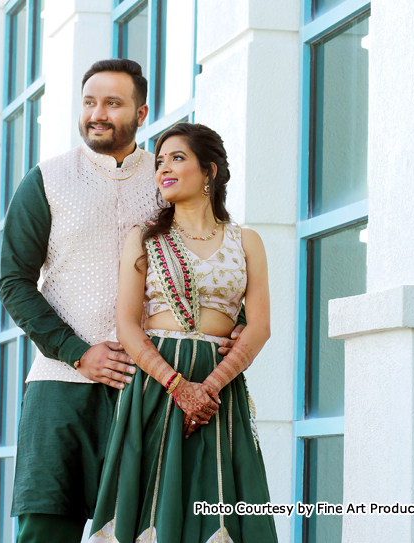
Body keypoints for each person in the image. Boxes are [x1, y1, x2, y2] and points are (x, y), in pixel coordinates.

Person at [0, 60, 245, 543]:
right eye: (90, 102)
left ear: (141, 111)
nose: (98, 114)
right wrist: (77, 352)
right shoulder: (46, 180)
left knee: (146, 530)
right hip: (60, 387)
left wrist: (228, 322)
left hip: (151, 386)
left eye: (113, 103)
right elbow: (13, 282)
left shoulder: (167, 178)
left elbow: (211, 252)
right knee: (45, 528)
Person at [89, 123, 277, 543]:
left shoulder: (246, 241)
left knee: (218, 500)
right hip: (156, 388)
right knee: (150, 509)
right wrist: (177, 385)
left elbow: (260, 327)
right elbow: (127, 326)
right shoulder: (145, 239)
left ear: (209, 170)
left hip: (219, 392)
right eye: (159, 162)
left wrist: (207, 389)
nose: (163, 169)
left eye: (177, 158)